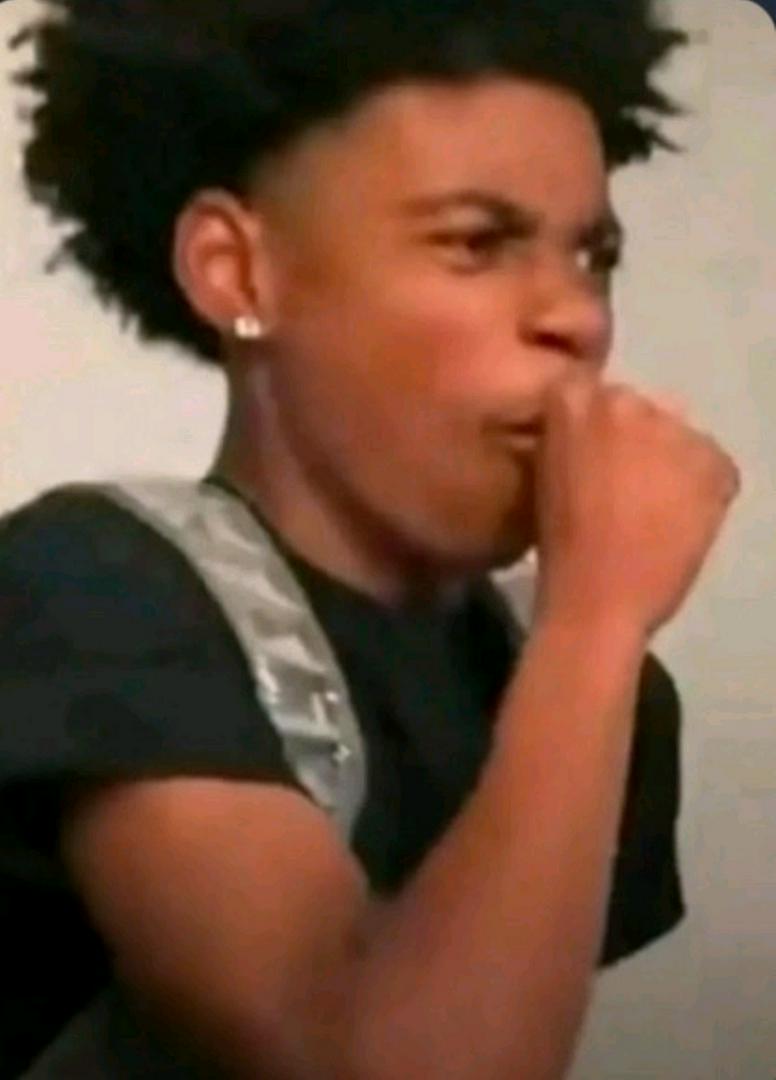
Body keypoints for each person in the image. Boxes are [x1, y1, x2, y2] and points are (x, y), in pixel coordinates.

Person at [0, 0, 740, 1076]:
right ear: (237, 272)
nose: (577, 318)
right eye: (476, 242)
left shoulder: (582, 685)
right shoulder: (92, 587)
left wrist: (588, 645)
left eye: (593, 255)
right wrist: (596, 624)